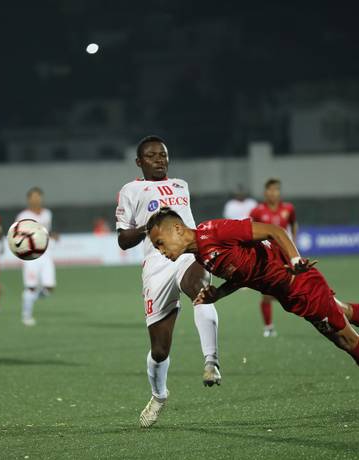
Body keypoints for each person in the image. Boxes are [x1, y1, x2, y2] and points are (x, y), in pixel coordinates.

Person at [146, 208, 359, 423]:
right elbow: (242, 275)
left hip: (297, 283)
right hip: (285, 292)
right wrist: (219, 294)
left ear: (178, 229)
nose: (160, 251)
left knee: (343, 338)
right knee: (341, 310)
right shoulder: (203, 257)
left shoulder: (215, 231)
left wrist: (295, 260)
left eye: (160, 243)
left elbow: (274, 231)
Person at [116, 135, 221, 428]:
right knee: (160, 350)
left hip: (186, 253)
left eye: (163, 155)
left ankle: (211, 361)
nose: (159, 160)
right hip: (156, 265)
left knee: (200, 289)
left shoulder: (181, 186)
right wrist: (148, 225)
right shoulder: (130, 190)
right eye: (151, 156)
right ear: (139, 162)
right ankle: (159, 395)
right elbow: (123, 240)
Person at [250, 178, 297, 337]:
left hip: (286, 254)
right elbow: (250, 230)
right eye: (270, 190)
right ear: (265, 192)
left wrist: (294, 245)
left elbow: (293, 224)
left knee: (294, 288)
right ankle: (268, 327)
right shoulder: (257, 211)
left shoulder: (288, 208)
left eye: (276, 189)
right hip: (267, 256)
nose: (273, 193)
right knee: (267, 293)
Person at [16, 187, 56, 326]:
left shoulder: (47, 214)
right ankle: (26, 316)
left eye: (38, 196)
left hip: (46, 255)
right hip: (31, 256)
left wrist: (53, 235)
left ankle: (29, 298)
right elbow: (17, 237)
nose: (36, 199)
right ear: (28, 199)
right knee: (31, 286)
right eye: (33, 197)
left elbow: (47, 231)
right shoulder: (22, 216)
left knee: (49, 288)